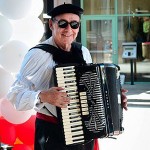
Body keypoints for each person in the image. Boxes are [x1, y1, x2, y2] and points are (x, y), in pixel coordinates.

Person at [7, 3, 128, 150]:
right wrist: (43, 96)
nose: (69, 30)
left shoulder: (83, 51)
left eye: (74, 24)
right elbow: (14, 95)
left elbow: (91, 92)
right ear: (51, 24)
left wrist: (113, 99)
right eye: (63, 23)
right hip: (52, 134)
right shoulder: (37, 54)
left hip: (85, 133)